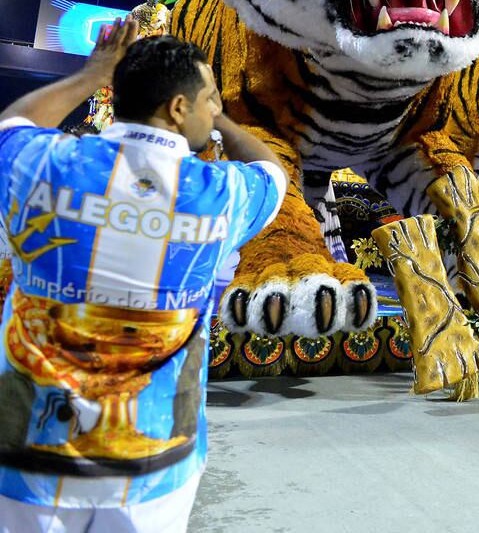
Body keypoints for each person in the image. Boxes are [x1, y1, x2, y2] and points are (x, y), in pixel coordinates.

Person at [0, 26, 286, 532]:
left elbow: (11, 124)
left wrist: (92, 74)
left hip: (26, 461)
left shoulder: (46, 166)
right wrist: (221, 122)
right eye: (209, 100)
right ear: (180, 108)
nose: (213, 109)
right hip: (151, 472)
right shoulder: (219, 194)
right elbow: (272, 171)